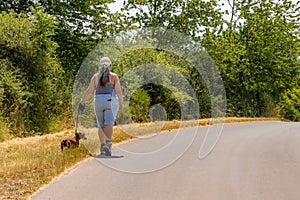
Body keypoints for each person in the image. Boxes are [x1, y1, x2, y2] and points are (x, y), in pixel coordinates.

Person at [80, 57, 123, 156]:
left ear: (99, 66)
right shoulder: (114, 76)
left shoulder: (96, 77)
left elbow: (89, 91)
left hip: (98, 101)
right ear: (110, 66)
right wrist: (121, 104)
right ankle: (108, 144)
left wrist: (82, 101)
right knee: (109, 123)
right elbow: (119, 91)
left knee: (101, 125)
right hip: (110, 101)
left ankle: (103, 146)